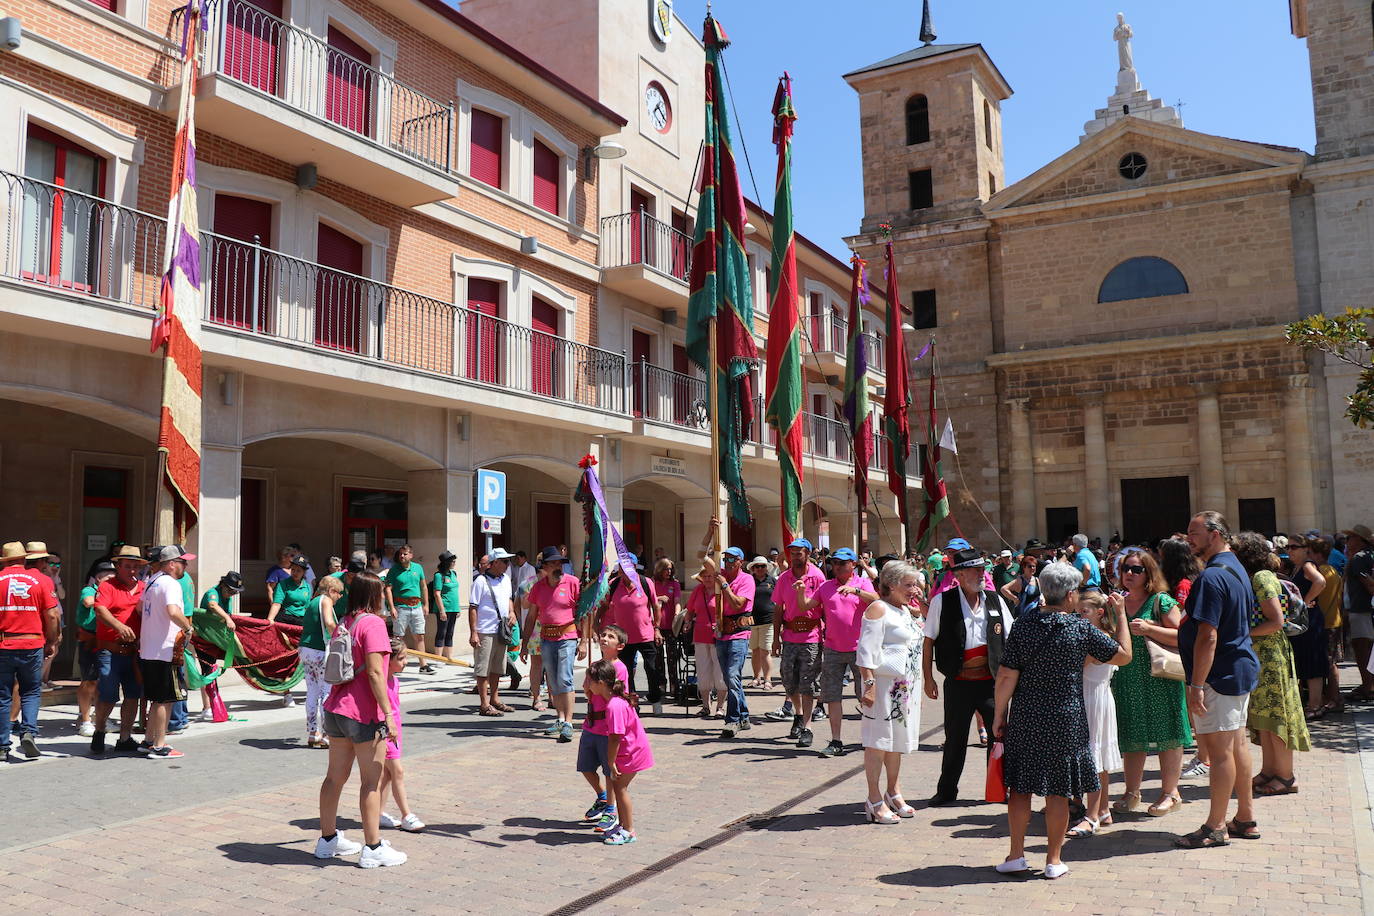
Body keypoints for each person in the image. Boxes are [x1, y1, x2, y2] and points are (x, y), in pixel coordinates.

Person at [993, 562, 1132, 879]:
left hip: (1027, 713)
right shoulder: (1081, 629)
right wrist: (1120, 614)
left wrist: (1000, 714)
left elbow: (1006, 675)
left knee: (1020, 788)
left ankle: (1016, 854)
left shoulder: (1024, 625)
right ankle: (1053, 860)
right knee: (1058, 791)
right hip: (1066, 716)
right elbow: (1124, 655)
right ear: (1070, 595)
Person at [1176, 511, 1261, 848]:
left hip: (1220, 674)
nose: (1188, 539)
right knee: (1237, 744)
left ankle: (1215, 826)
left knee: (1221, 751)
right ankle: (1245, 816)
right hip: (1236, 668)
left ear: (1214, 534)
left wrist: (1196, 685)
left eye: (1193, 532)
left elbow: (1207, 636)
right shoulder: (1235, 568)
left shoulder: (1212, 577)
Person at [314, 571, 405, 867]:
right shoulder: (373, 624)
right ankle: (373, 847)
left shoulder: (345, 622)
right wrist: (389, 715)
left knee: (334, 778)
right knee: (371, 781)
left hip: (336, 707)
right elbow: (377, 672)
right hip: (364, 712)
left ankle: (327, 840)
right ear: (374, 595)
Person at [923, 546, 1014, 806]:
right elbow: (929, 640)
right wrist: (929, 678)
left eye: (982, 570)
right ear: (959, 575)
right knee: (955, 738)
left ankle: (997, 790)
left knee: (998, 737)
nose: (980, 575)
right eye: (974, 570)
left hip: (991, 683)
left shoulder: (995, 600)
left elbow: (1011, 636)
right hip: (959, 683)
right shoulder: (943, 601)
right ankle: (947, 791)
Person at [1109, 548, 1192, 817]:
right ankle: (1131, 792)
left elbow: (1181, 636)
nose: (1129, 574)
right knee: (1132, 736)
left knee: (1168, 735)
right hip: (1127, 678)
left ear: (1149, 574)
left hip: (1160, 678)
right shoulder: (1117, 602)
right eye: (1125, 569)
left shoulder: (1161, 601)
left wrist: (1149, 628)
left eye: (1136, 569)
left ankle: (1171, 793)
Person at [1229, 532, 1310, 799]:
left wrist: (1242, 634)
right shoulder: (1252, 577)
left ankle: (1285, 776)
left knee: (1277, 715)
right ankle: (1269, 770)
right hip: (1259, 654)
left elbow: (1275, 620)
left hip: (1271, 654)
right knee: (1263, 716)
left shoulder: (1262, 577)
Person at [856, 561, 925, 824]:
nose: (914, 590)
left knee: (896, 741)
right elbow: (865, 651)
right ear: (892, 584)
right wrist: (869, 686)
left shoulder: (904, 610)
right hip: (882, 686)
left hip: (903, 688)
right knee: (878, 742)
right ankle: (873, 799)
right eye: (909, 585)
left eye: (916, 584)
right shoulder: (878, 608)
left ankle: (893, 791)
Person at [798, 547, 879, 757]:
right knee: (833, 696)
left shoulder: (862, 582)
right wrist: (800, 591)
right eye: (834, 563)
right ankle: (836, 741)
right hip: (833, 648)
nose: (837, 566)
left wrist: (857, 592)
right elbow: (806, 606)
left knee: (865, 695)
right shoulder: (826, 586)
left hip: (860, 648)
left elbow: (877, 601)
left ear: (853, 564)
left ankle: (870, 738)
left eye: (842, 563)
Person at [1068, 591, 1126, 838]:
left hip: (1092, 699)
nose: (1080, 617)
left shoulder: (1097, 639)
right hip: (1096, 698)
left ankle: (1093, 814)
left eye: (1085, 612)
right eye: (1078, 612)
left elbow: (1075, 664)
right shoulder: (1102, 636)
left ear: (1099, 613)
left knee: (1092, 755)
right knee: (1097, 755)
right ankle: (1101, 809)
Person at [0, 541, 61, 761]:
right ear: (24, 559)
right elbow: (53, 615)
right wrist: (52, 641)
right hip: (32, 643)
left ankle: (2, 745)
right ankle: (28, 732)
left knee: (3, 695)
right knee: (31, 692)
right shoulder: (41, 580)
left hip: (3, 644)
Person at [585, 659, 654, 846]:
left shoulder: (614, 706)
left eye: (590, 681)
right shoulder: (615, 700)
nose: (587, 684)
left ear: (600, 683)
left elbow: (615, 737)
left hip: (632, 753)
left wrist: (611, 762)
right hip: (629, 751)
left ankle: (629, 830)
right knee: (617, 788)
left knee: (620, 789)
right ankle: (622, 825)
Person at [521, 546, 587, 742]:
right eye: (553, 563)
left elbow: (584, 614)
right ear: (545, 567)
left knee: (565, 678)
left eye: (560, 563)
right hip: (546, 639)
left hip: (567, 637)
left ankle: (568, 722)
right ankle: (559, 717)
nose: (558, 566)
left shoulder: (573, 583)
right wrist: (524, 645)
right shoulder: (538, 588)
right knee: (554, 681)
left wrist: (583, 641)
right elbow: (531, 617)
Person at [138, 545, 196, 760]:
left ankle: (149, 740)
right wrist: (188, 627)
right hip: (165, 649)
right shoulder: (170, 583)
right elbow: (173, 611)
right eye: (183, 562)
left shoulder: (151, 581)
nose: (185, 566)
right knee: (166, 699)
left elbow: (139, 608)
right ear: (172, 563)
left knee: (156, 699)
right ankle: (160, 745)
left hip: (150, 648)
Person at [770, 537, 827, 746]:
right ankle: (798, 714)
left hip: (811, 635)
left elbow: (825, 606)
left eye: (799, 552)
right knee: (789, 680)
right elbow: (778, 609)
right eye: (792, 552)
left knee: (808, 683)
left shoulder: (818, 576)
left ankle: (807, 727)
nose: (795, 556)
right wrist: (776, 638)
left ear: (808, 554)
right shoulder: (784, 578)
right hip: (790, 635)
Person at [91, 545, 146, 755]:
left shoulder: (144, 587)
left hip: (134, 653)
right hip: (110, 652)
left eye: (136, 567)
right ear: (118, 566)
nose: (132, 571)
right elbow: (100, 609)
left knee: (132, 695)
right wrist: (119, 626)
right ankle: (100, 730)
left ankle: (125, 737)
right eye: (128, 566)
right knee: (108, 696)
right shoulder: (108, 586)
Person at [580, 626, 629, 835]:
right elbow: (587, 693)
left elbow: (619, 696)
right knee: (585, 766)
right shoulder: (593, 665)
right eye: (603, 635)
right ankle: (601, 797)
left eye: (611, 637)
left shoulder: (620, 668)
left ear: (620, 646)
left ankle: (611, 809)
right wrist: (588, 684)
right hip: (591, 723)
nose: (604, 638)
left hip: (606, 726)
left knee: (610, 772)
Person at [599, 557, 662, 714]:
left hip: (645, 635)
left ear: (634, 567)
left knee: (652, 668)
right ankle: (633, 703)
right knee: (626, 673)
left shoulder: (646, 583)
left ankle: (655, 698)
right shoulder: (613, 584)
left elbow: (655, 606)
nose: (623, 570)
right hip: (624, 638)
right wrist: (597, 624)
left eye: (627, 566)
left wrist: (657, 629)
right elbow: (604, 605)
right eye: (621, 566)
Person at [378, 637, 425, 833]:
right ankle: (407, 814)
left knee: (387, 774)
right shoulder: (378, 681)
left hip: (396, 730)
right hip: (386, 732)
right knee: (397, 771)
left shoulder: (393, 680)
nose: (406, 662)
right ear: (389, 659)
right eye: (402, 658)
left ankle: (377, 813)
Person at [1283, 537, 1328, 720]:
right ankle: (1311, 703)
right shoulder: (1296, 567)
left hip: (1311, 620)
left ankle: (1315, 705)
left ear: (1306, 549)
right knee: (1304, 660)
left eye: (1294, 547)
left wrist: (1304, 602)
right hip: (1302, 621)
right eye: (1288, 547)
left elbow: (1320, 582)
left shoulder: (1307, 565)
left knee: (1313, 661)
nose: (1290, 550)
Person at [713, 546, 756, 739]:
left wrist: (724, 586)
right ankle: (744, 715)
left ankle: (733, 719)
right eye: (725, 559)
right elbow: (701, 557)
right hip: (722, 633)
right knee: (731, 678)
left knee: (732, 676)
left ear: (740, 561)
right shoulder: (721, 574)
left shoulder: (747, 579)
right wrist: (710, 532)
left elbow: (738, 603)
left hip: (739, 633)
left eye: (732, 560)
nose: (727, 563)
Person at [469, 548, 516, 716]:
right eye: (504, 561)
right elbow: (473, 607)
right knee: (483, 669)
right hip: (485, 630)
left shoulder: (506, 579)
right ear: (495, 562)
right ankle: (484, 703)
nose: (507, 564)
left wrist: (511, 612)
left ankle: (495, 698)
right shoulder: (480, 581)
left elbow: (509, 599)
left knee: (497, 667)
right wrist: (474, 632)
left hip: (501, 630)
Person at [301, 576, 343, 748]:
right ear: (332, 590)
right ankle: (327, 734)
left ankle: (313, 732)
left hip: (305, 650)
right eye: (339, 593)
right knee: (327, 692)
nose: (339, 597)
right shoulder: (326, 600)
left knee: (312, 691)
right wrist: (342, 636)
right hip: (320, 651)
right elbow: (329, 622)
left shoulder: (313, 601)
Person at [75, 561, 116, 737]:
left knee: (103, 682)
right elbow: (88, 601)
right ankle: (85, 720)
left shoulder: (114, 591)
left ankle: (101, 718)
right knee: (89, 682)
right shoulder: (90, 590)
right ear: (98, 578)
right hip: (90, 641)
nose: (112, 580)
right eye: (108, 577)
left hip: (107, 642)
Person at [1306, 538, 1345, 714]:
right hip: (1335, 619)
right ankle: (1333, 697)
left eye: (1310, 553)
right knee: (1331, 662)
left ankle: (1334, 698)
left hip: (1326, 622)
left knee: (1329, 663)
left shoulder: (1321, 571)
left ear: (1317, 554)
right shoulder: (1333, 570)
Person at [685, 562, 725, 718]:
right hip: (700, 636)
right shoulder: (698, 591)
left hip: (719, 636)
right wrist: (687, 623)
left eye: (710, 576)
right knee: (703, 671)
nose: (708, 579)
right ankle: (706, 706)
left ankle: (720, 707)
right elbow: (689, 611)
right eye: (705, 576)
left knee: (720, 672)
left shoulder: (720, 590)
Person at [383, 545, 431, 671]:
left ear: (411, 555)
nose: (402, 556)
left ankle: (423, 664)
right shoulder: (394, 570)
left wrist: (426, 604)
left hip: (417, 606)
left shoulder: (418, 568)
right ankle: (396, 663)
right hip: (401, 607)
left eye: (405, 554)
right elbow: (388, 588)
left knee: (420, 635)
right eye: (400, 554)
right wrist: (392, 607)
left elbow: (424, 587)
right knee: (398, 637)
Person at [1342, 524, 1374, 701]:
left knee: (1362, 650)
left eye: (1350, 537)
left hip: (1361, 609)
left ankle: (1367, 688)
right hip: (1366, 609)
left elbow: (1369, 585)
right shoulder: (1367, 555)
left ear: (1359, 540)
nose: (1347, 541)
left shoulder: (1359, 558)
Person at [651, 558, 683, 700]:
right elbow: (646, 600)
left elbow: (677, 602)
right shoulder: (652, 583)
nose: (668, 572)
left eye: (670, 569)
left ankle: (674, 685)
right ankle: (661, 684)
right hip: (656, 625)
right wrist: (659, 597)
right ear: (660, 569)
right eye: (666, 569)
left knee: (672, 656)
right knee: (658, 657)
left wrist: (677, 614)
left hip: (670, 625)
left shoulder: (674, 584)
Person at [746, 557, 776, 690]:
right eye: (757, 566)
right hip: (751, 621)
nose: (760, 569)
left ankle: (767, 680)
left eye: (762, 566)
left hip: (768, 621)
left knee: (765, 651)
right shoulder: (748, 581)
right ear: (753, 568)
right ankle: (756, 678)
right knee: (755, 651)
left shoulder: (772, 581)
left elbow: (779, 599)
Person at [430, 551, 462, 662]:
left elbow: (455, 592)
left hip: (453, 608)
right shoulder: (439, 575)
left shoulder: (454, 574)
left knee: (450, 632)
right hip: (443, 607)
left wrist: (458, 608)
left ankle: (449, 657)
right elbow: (437, 593)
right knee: (441, 632)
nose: (454, 563)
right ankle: (438, 658)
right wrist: (441, 610)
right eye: (452, 561)